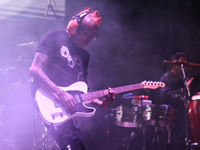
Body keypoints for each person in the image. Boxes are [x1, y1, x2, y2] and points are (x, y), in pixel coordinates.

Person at [29, 7, 115, 150]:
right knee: (75, 146)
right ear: (75, 27)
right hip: (50, 100)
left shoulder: (85, 56)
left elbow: (81, 91)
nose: (90, 40)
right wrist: (60, 94)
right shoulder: (54, 37)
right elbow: (35, 70)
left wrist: (101, 103)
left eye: (93, 37)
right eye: (87, 35)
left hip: (67, 109)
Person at [159, 52, 194, 150]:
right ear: (174, 65)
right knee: (174, 143)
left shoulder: (185, 80)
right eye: (181, 64)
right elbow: (164, 95)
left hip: (185, 117)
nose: (184, 67)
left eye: (185, 65)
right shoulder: (166, 78)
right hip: (171, 118)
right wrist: (184, 90)